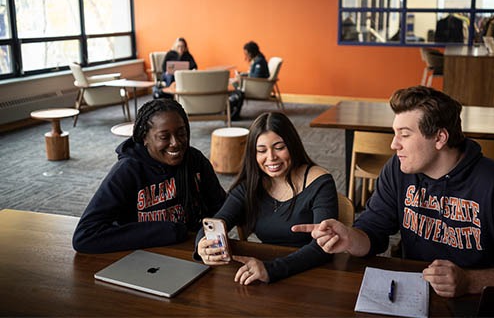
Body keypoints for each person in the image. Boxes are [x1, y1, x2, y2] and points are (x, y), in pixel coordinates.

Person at [293, 86, 494, 298]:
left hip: (479, 300)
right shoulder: (398, 170)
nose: (393, 145)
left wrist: (471, 281)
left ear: (439, 138)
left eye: (405, 134)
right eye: (394, 133)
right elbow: (374, 232)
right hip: (414, 295)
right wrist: (350, 237)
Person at [194, 111, 338, 285]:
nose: (271, 158)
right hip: (266, 271)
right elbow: (218, 221)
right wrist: (202, 245)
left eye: (279, 147)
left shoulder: (320, 182)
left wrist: (271, 269)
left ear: (292, 145)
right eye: (261, 150)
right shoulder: (250, 185)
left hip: (313, 273)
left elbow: (323, 248)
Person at [72, 98, 226, 253]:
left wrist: (204, 238)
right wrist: (167, 231)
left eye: (182, 133)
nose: (176, 143)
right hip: (140, 253)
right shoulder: (127, 170)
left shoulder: (194, 160)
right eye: (164, 137)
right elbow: (84, 236)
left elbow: (221, 207)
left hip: (192, 248)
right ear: (145, 138)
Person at [229, 40, 270, 120]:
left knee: (238, 91)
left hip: (256, 88)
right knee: (235, 86)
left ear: (251, 53)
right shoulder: (257, 60)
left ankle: (232, 113)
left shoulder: (259, 62)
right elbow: (254, 74)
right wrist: (243, 74)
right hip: (254, 85)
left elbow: (257, 77)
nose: (246, 56)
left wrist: (242, 78)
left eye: (246, 54)